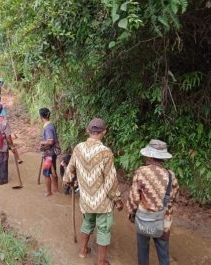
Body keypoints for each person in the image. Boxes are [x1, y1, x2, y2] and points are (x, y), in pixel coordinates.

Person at [63, 117, 123, 265]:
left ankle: (82, 251)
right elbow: (110, 180)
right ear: (104, 132)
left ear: (87, 131)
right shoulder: (106, 152)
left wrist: (69, 181)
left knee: (87, 223)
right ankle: (101, 262)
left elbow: (68, 173)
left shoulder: (78, 148)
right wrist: (117, 200)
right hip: (102, 201)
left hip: (85, 198)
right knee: (103, 229)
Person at [127, 139, 179, 265]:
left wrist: (131, 214)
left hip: (144, 218)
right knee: (163, 252)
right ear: (163, 158)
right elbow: (174, 198)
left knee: (143, 250)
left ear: (150, 156)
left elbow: (134, 197)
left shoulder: (141, 172)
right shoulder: (171, 175)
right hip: (163, 219)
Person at [39, 108, 60, 196]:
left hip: (49, 153)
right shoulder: (51, 125)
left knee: (46, 173)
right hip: (53, 152)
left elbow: (50, 141)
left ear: (41, 116)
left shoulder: (47, 127)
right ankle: (56, 189)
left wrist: (42, 142)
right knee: (53, 170)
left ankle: (48, 192)